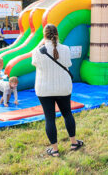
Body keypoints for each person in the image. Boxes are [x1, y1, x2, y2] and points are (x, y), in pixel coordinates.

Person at [32, 24, 83, 157]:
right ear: (57, 34)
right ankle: (73, 142)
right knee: (67, 113)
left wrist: (41, 43)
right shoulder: (65, 49)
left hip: (44, 88)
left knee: (49, 118)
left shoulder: (37, 50)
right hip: (63, 87)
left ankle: (54, 150)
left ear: (44, 35)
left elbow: (35, 64)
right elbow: (68, 65)